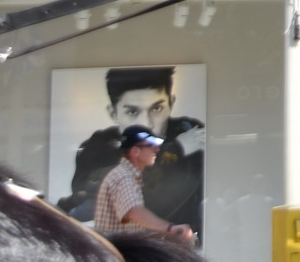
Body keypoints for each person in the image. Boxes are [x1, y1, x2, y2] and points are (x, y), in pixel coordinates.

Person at [61, 66, 204, 233]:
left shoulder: (189, 132)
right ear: (113, 113)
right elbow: (89, 195)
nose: (147, 123)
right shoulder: (100, 147)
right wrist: (175, 149)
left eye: (157, 109)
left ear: (171, 104)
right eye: (132, 112)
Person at [92, 126, 196, 247]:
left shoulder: (126, 175)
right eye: (151, 145)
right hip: (118, 254)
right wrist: (170, 228)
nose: (157, 149)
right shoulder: (124, 177)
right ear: (135, 151)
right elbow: (134, 212)